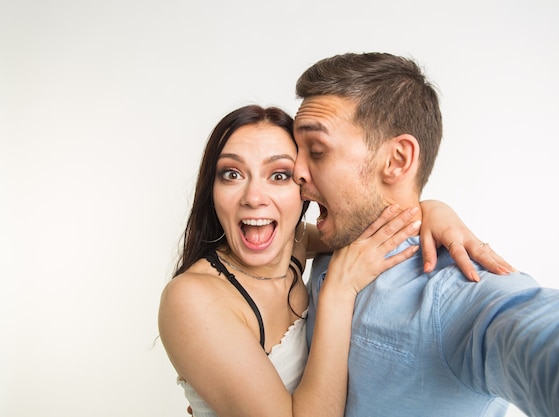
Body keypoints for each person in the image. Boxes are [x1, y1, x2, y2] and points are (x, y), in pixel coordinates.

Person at [294, 52, 559, 417]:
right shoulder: (329, 242)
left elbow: (550, 340)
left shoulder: (456, 293)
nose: (296, 171)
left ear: (398, 160)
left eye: (317, 151)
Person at [158, 105, 512, 417]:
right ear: (212, 189)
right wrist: (338, 293)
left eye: (279, 175)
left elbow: (369, 221)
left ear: (304, 188)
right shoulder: (193, 299)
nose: (253, 196)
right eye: (231, 174)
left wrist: (433, 211)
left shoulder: (293, 245)